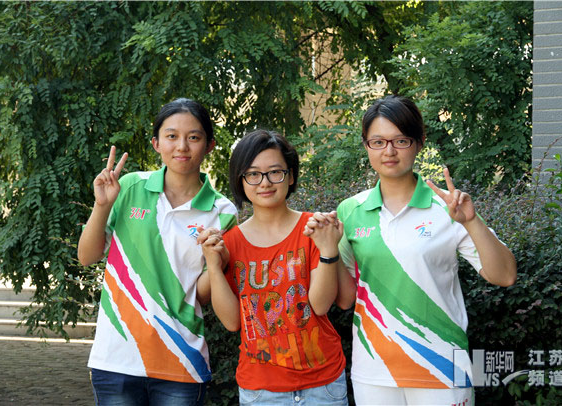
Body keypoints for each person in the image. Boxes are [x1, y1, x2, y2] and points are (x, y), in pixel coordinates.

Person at [306, 95, 517, 405]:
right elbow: (346, 298)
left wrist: (471, 222)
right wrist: (329, 247)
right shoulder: (350, 210)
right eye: (378, 142)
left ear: (419, 143)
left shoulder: (447, 207)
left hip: (444, 368)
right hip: (374, 371)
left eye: (401, 140)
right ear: (366, 146)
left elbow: (505, 275)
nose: (389, 151)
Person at [77, 98, 237, 406]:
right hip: (116, 358)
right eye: (171, 136)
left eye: (194, 137)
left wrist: (215, 261)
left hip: (182, 362)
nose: (182, 146)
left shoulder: (222, 211)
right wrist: (102, 205)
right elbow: (86, 256)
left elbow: (201, 296)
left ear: (209, 145)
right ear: (156, 143)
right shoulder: (129, 187)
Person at [199, 129, 348, 405]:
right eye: (253, 174)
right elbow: (232, 323)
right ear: (241, 180)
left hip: (323, 384)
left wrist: (329, 250)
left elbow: (320, 306)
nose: (265, 182)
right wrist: (213, 265)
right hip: (261, 390)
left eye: (275, 172)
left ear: (290, 176)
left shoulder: (313, 229)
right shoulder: (230, 242)